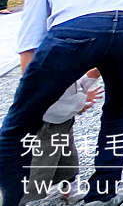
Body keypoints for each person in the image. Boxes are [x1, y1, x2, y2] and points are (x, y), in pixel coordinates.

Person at [0, 0, 123, 206]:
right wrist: (89, 77)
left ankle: (13, 200)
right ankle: (102, 195)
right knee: (119, 108)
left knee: (15, 127)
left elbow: (30, 41)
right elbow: (112, 37)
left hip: (77, 28)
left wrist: (33, 97)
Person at [23, 69, 103, 204]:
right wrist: (80, 102)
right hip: (49, 120)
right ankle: (25, 199)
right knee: (42, 164)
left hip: (62, 118)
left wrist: (89, 79)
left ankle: (70, 189)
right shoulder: (40, 54)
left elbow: (71, 83)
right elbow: (43, 90)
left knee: (68, 157)